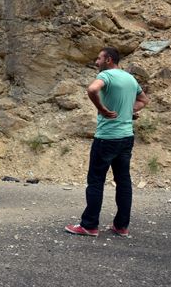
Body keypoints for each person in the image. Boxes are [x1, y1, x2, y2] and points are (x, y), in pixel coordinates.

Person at [65, 47, 149, 237]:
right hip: (126, 138)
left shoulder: (107, 75)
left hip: (106, 138)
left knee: (95, 181)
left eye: (99, 58)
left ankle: (89, 225)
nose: (96, 62)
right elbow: (144, 100)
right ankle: (121, 226)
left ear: (109, 60)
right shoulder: (130, 78)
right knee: (123, 181)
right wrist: (129, 111)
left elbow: (92, 89)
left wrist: (102, 109)